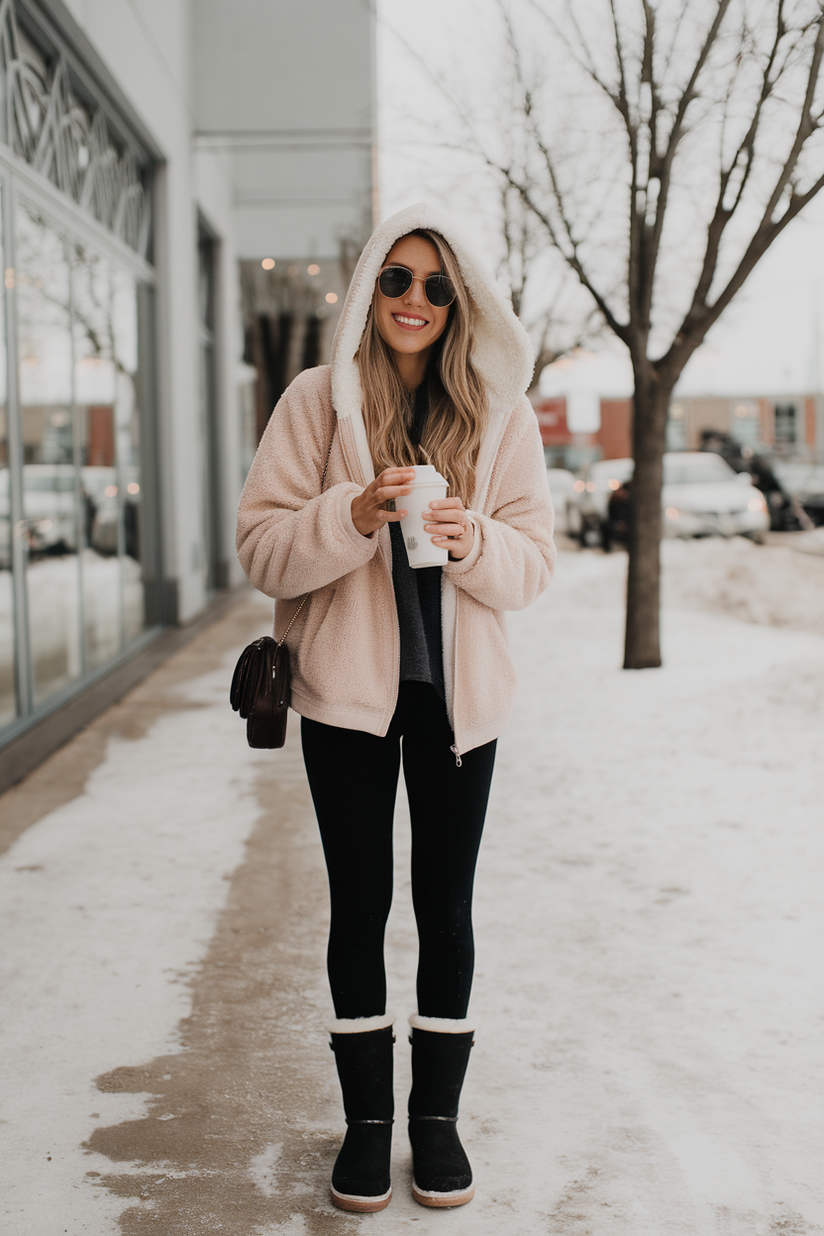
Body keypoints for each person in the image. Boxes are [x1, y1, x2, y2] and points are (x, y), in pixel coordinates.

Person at [236, 203, 554, 1213]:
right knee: (359, 906)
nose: (413, 301)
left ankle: (436, 1123)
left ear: (458, 303)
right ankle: (367, 1125)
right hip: (344, 701)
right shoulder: (313, 403)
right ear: (370, 286)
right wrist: (350, 512)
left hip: (458, 708)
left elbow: (532, 564)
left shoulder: (499, 412)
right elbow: (260, 548)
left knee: (445, 909)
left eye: (434, 286)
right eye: (396, 280)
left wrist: (469, 542)